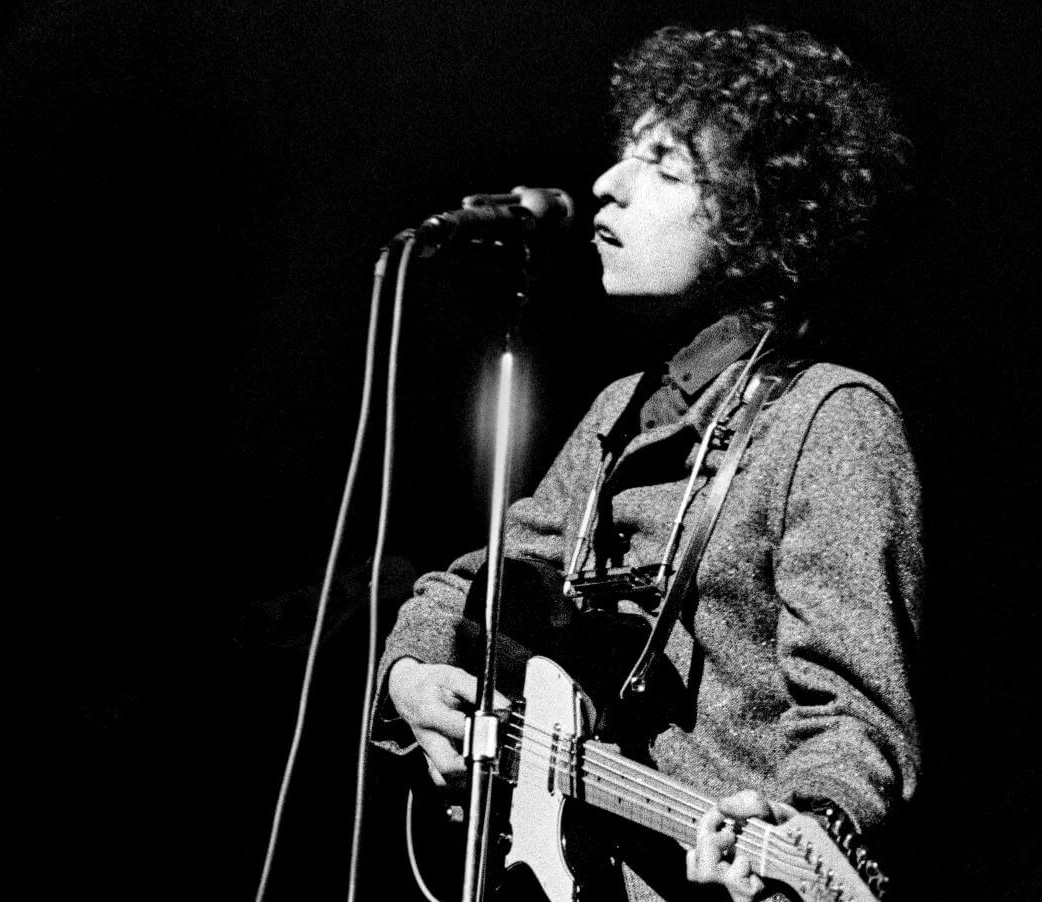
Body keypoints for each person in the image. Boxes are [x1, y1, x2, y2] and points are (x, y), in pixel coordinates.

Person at [371, 23, 921, 902]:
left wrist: (802, 823)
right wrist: (409, 674)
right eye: (625, 156)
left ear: (754, 215)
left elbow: (854, 720)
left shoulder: (831, 419)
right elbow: (472, 580)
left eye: (664, 168)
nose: (605, 187)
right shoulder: (620, 410)